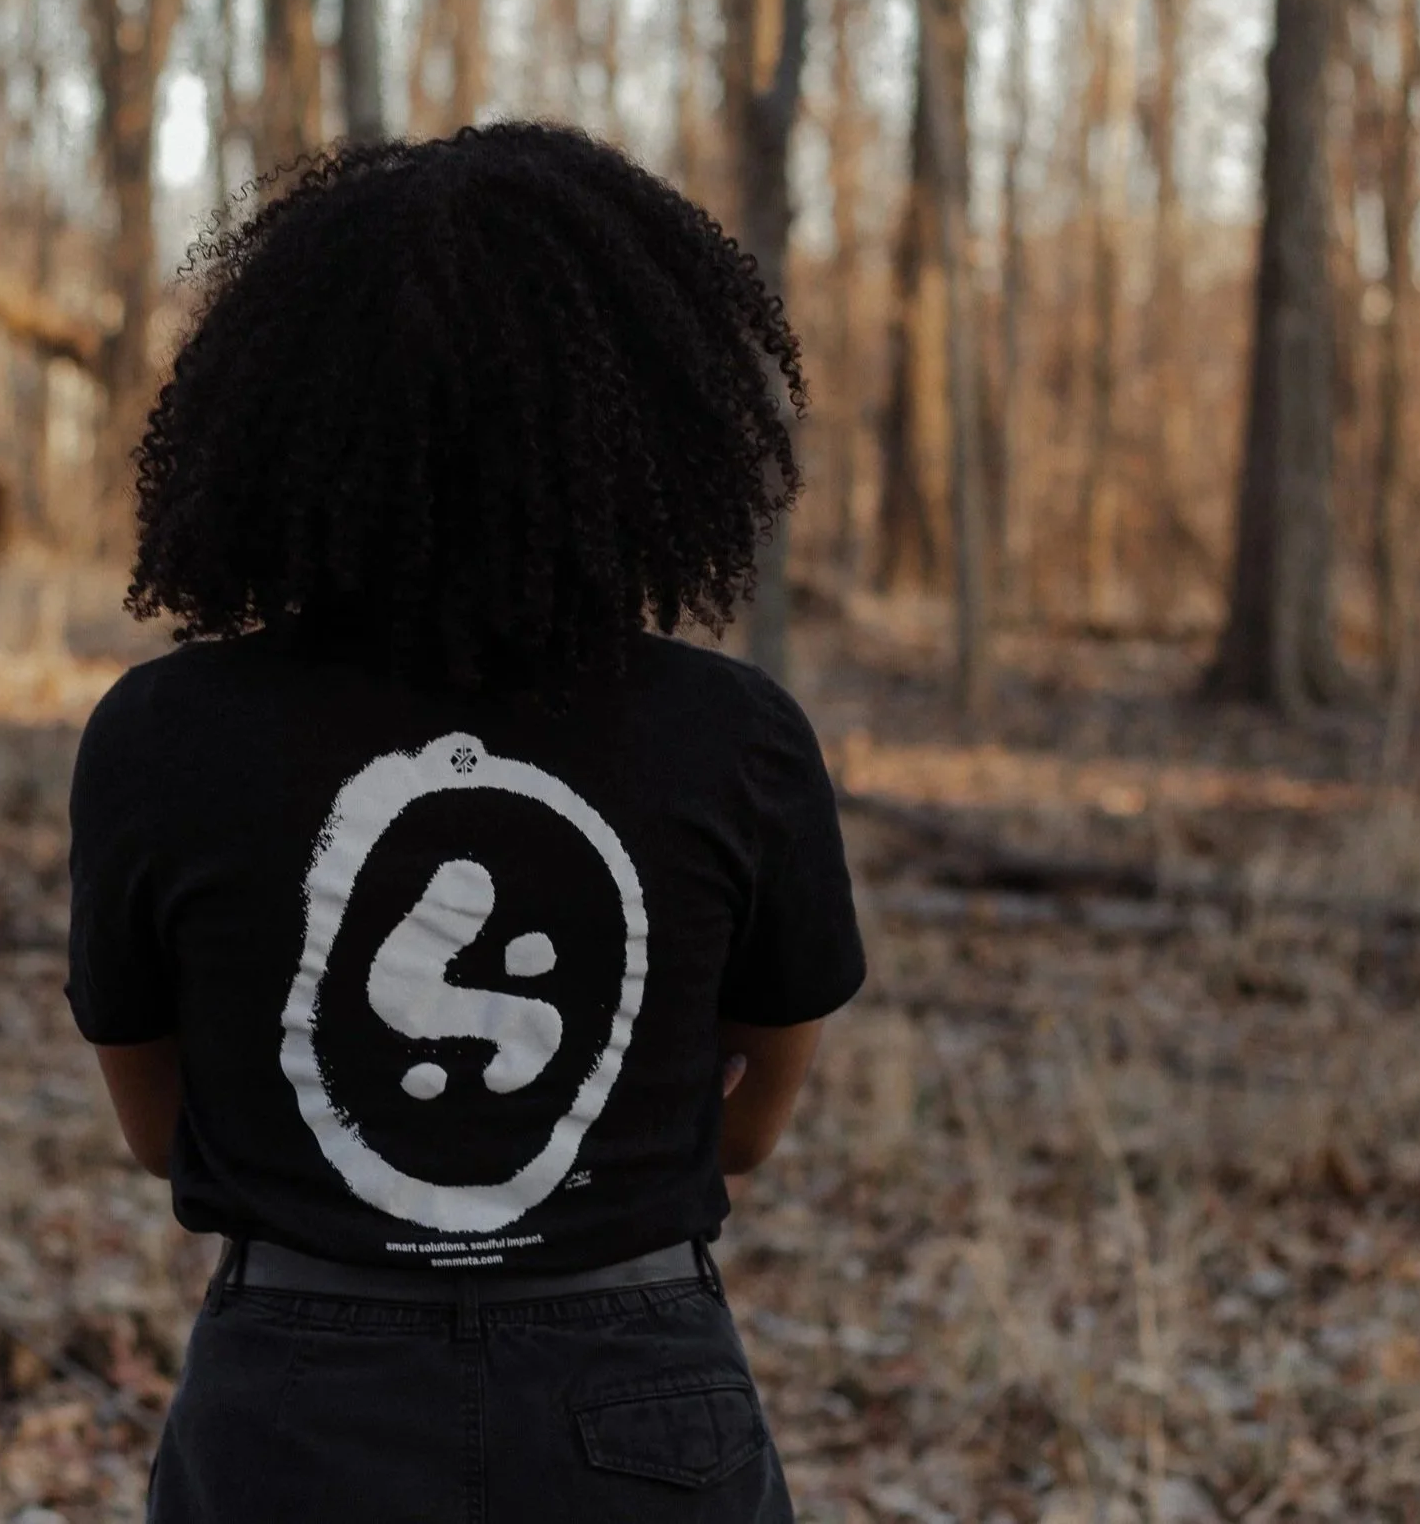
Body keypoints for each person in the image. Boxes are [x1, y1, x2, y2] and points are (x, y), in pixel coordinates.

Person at [66, 123, 866, 1524]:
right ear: (648, 418)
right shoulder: (734, 737)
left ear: (278, 418)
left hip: (291, 1408)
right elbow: (742, 1128)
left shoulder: (164, 735)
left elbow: (160, 1129)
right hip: (638, 1400)